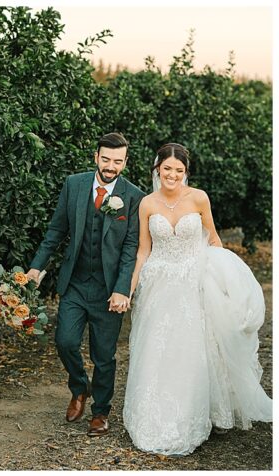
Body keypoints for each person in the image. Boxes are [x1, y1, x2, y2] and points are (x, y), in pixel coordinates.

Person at [123, 143, 272, 455]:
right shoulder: (147, 204)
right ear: (157, 170)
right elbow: (143, 251)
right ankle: (154, 415)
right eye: (167, 169)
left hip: (194, 282)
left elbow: (214, 238)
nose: (172, 175)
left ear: (186, 173)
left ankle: (192, 413)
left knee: (193, 350)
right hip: (159, 287)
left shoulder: (199, 198)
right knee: (157, 348)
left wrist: (223, 277)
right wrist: (129, 287)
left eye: (179, 170)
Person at [26, 132, 146, 436]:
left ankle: (101, 412)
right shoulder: (74, 185)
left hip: (109, 289)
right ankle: (79, 388)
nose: (110, 166)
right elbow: (55, 231)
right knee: (65, 341)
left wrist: (123, 288)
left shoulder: (133, 197)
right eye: (105, 159)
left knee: (104, 355)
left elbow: (131, 247)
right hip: (76, 283)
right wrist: (36, 267)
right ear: (96, 157)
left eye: (117, 161)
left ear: (125, 163)